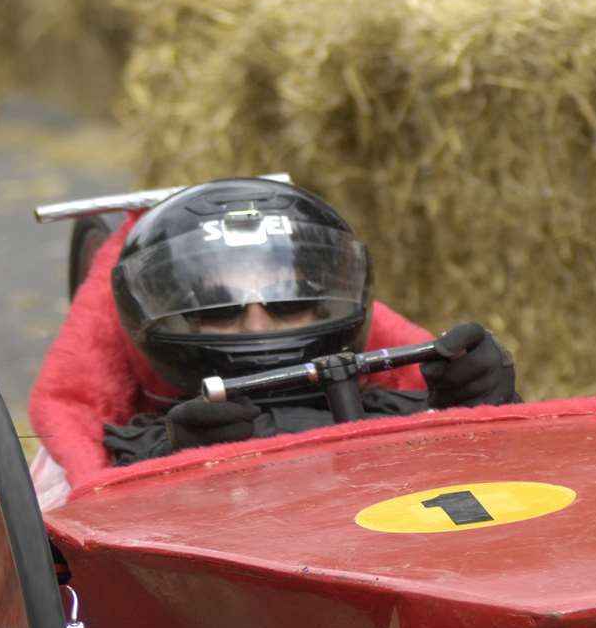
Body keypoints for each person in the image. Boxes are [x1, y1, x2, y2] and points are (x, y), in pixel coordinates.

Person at [26, 177, 518, 504]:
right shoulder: (118, 451)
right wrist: (171, 469)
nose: (258, 328)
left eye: (287, 303)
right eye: (217, 310)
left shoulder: (413, 407)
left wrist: (490, 412)